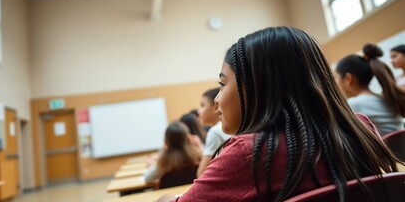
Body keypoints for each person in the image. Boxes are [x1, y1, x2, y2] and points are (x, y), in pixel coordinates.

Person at [158, 27, 400, 202]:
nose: (218, 99)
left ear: (257, 88)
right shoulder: (361, 127)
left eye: (222, 85)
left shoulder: (248, 154)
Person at [335, 43, 405, 136]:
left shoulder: (354, 104)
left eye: (336, 77)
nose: (335, 82)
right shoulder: (388, 98)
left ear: (348, 78)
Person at [196, 87, 230, 178]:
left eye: (202, 105)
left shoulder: (214, 132)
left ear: (216, 107)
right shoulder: (230, 128)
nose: (199, 111)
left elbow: (201, 174)